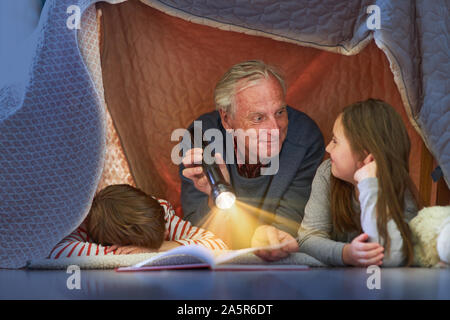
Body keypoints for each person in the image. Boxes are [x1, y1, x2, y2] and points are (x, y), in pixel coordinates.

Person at [180, 60, 324, 259]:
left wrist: (272, 240)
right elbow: (198, 233)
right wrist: (216, 195)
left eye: (280, 112)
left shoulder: (305, 137)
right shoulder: (200, 138)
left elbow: (289, 223)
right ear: (226, 119)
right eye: (258, 118)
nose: (274, 129)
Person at [296, 99, 420, 267]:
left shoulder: (399, 190)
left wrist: (369, 185)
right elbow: (308, 238)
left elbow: (393, 257)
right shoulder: (327, 173)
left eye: (335, 141)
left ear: (365, 154)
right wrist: (346, 254)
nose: (327, 148)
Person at [49, 184, 227, 259]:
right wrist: (127, 255)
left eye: (165, 232)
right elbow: (57, 251)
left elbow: (218, 246)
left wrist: (160, 248)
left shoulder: (160, 212)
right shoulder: (83, 222)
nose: (167, 234)